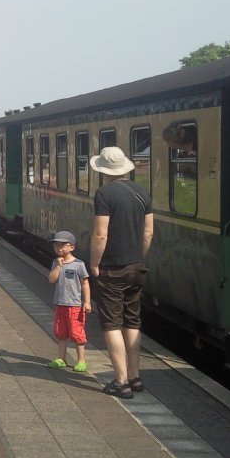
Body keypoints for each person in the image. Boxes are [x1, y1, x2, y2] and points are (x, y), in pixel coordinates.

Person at [89, 146, 154, 399]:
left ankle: (121, 381)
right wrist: (138, 256)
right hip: (137, 267)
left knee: (111, 324)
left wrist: (95, 263)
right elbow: (149, 232)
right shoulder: (142, 192)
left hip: (112, 269)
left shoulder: (104, 194)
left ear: (104, 171)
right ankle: (136, 377)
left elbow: (101, 233)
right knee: (133, 321)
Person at [46, 230, 92, 372]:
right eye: (56, 246)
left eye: (62, 245)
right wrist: (59, 266)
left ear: (72, 247)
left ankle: (82, 360)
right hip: (60, 304)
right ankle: (61, 358)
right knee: (61, 332)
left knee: (77, 333)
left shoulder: (79, 264)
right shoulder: (56, 263)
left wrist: (87, 301)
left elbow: (85, 283)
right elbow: (51, 280)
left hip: (75, 305)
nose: (59, 248)